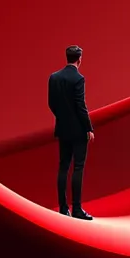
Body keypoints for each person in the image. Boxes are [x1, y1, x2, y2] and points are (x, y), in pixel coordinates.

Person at [48, 45, 94, 219]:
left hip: (62, 128)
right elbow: (80, 106)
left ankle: (62, 208)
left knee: (63, 167)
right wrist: (88, 127)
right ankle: (76, 209)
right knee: (78, 167)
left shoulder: (54, 78)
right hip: (78, 130)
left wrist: (63, 119)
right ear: (79, 59)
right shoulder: (78, 79)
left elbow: (51, 104)